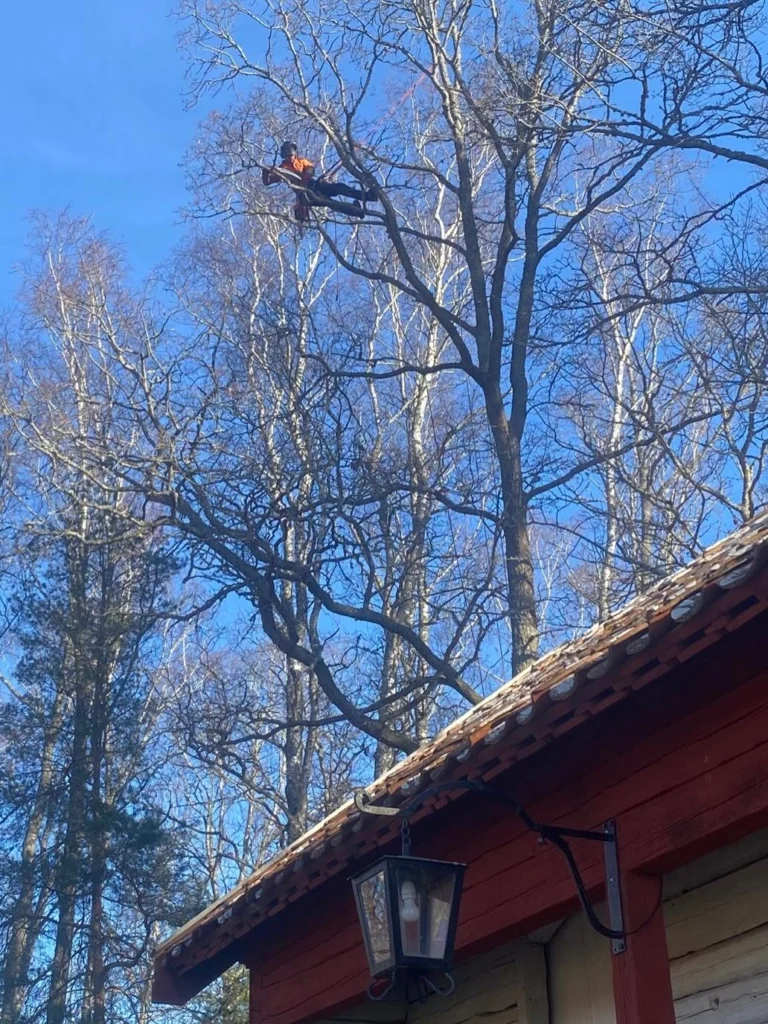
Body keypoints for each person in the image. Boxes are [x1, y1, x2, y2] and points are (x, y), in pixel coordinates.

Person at [262, 142, 377, 221]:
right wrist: (266, 171)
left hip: (314, 186)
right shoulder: (283, 168)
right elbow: (267, 182)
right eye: (287, 156)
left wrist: (305, 180)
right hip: (305, 195)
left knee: (339, 187)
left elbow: (310, 170)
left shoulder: (301, 161)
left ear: (294, 153)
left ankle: (368, 196)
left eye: (291, 155)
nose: (289, 158)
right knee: (331, 203)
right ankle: (357, 211)